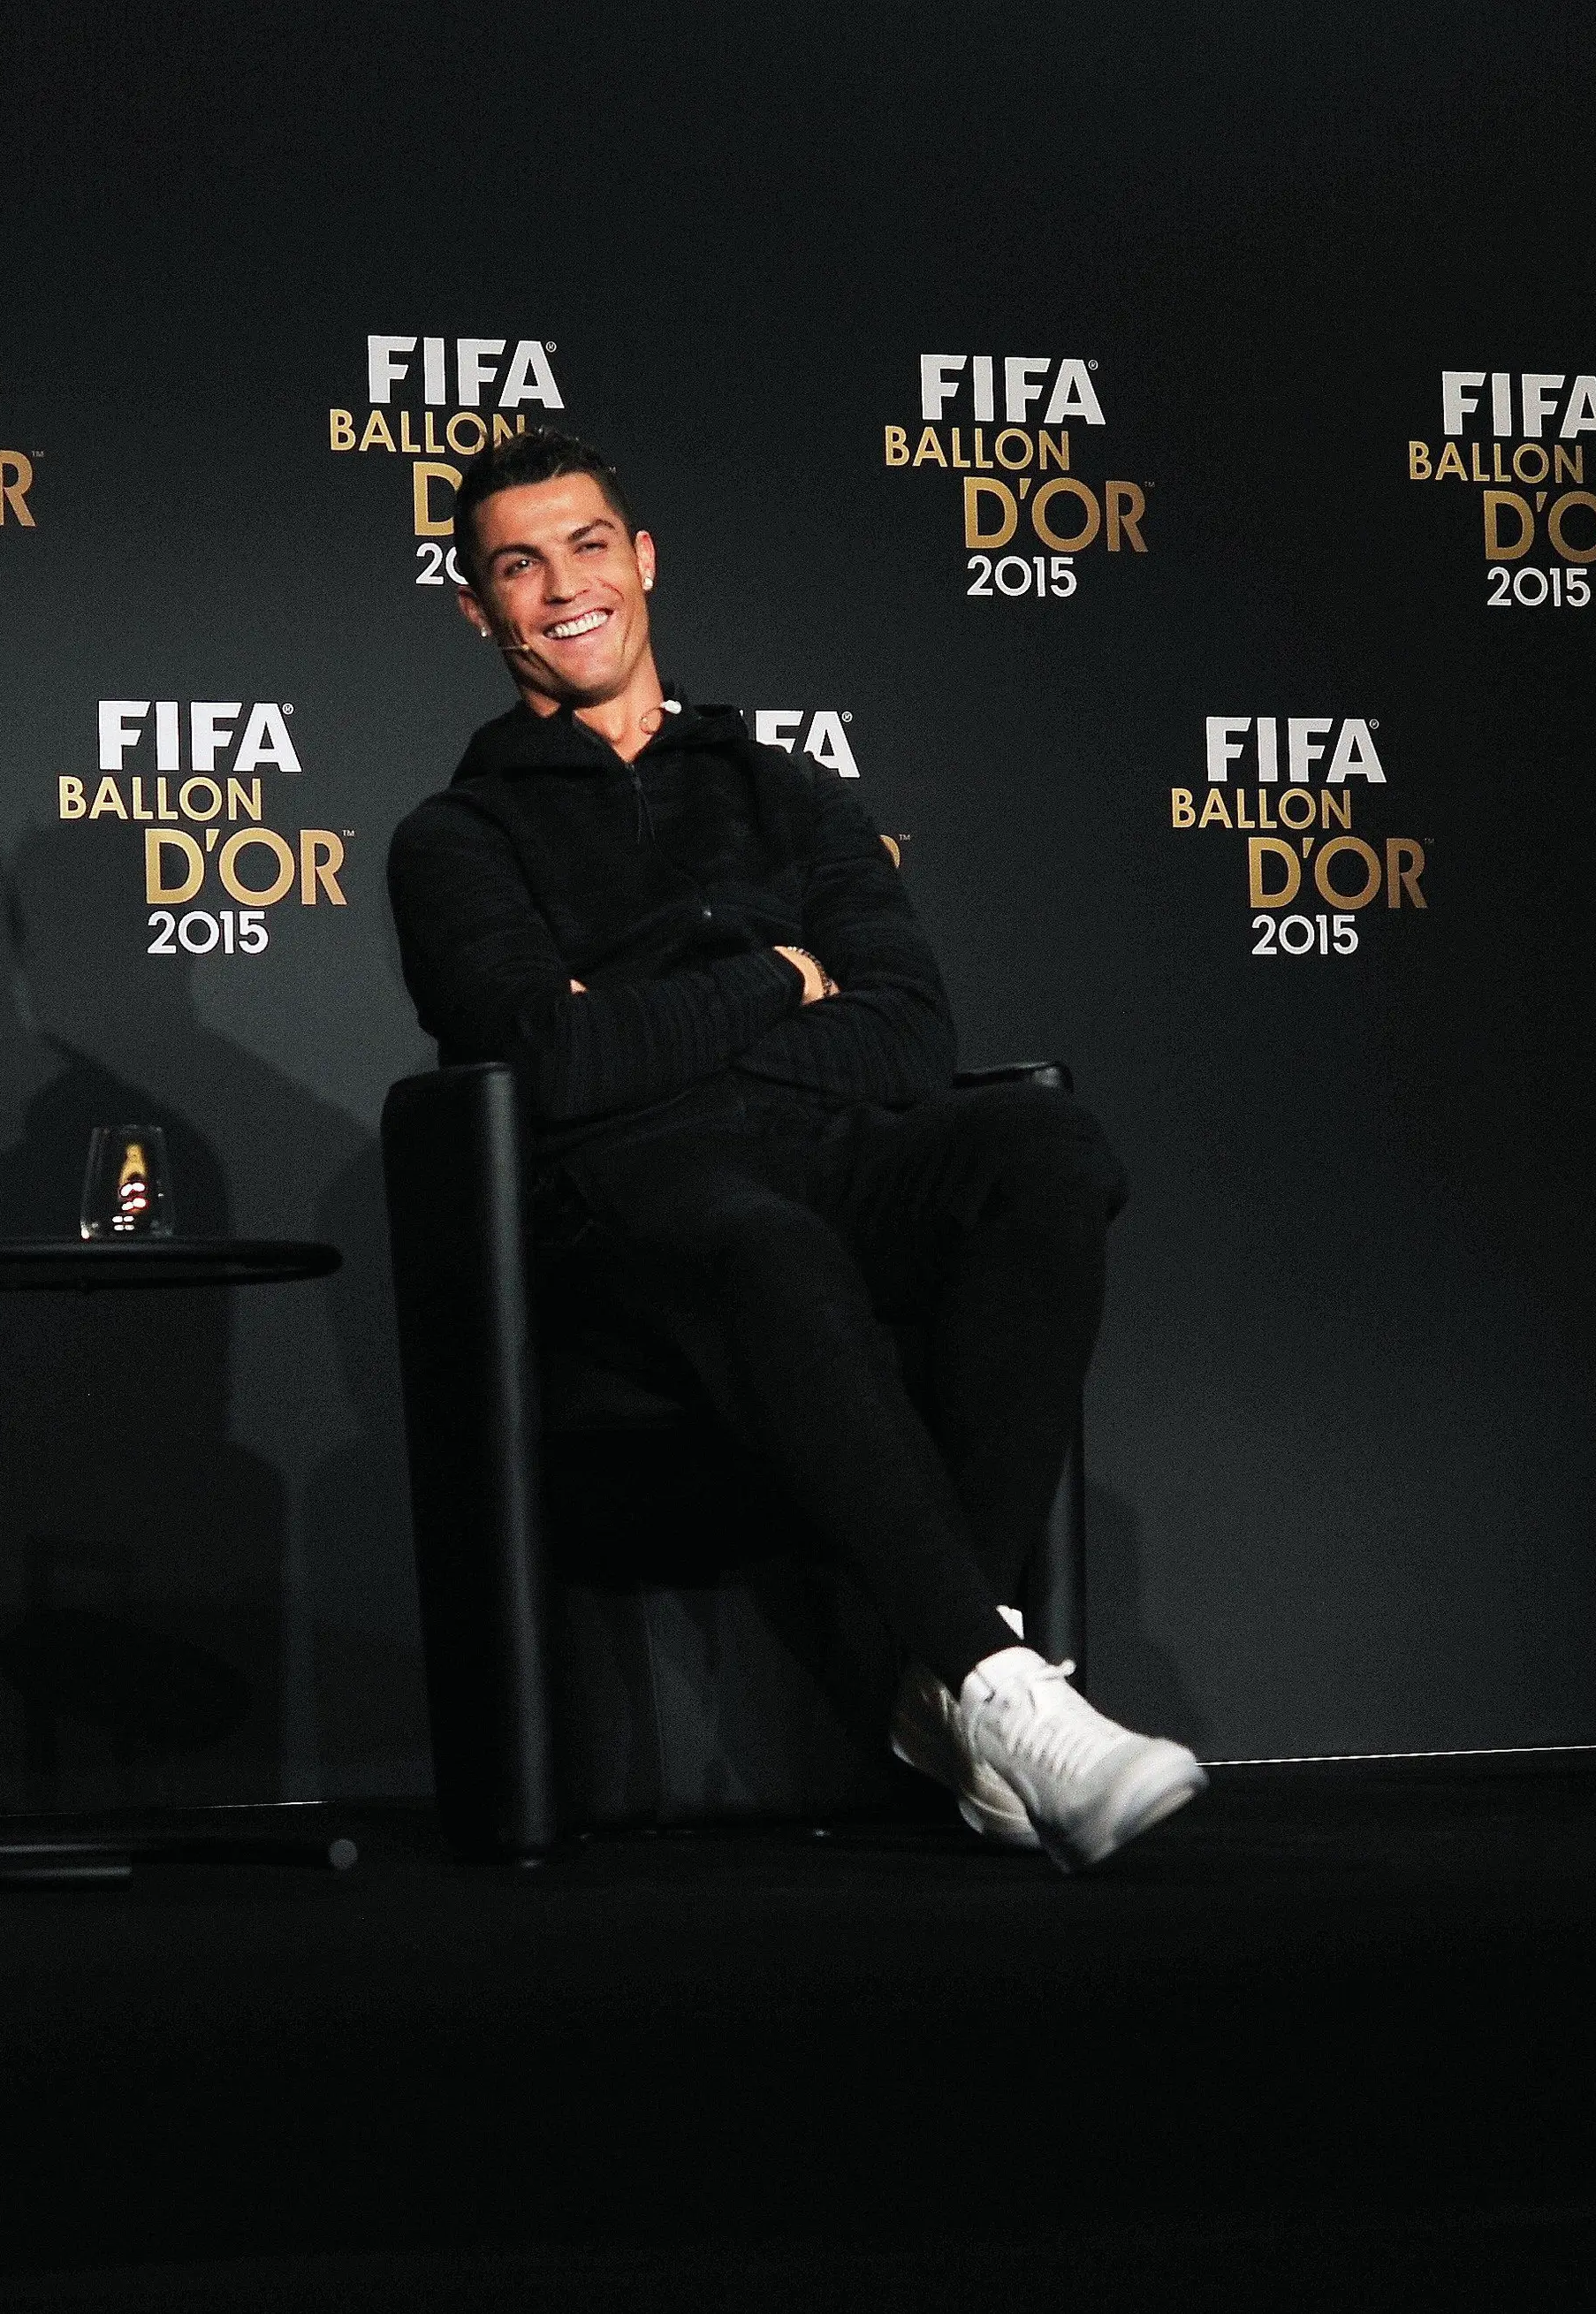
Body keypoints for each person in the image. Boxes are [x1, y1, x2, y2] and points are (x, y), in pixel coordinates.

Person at [384, 429, 1204, 1870]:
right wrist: (774, 974)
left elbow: (902, 1038)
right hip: (629, 1205)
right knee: (762, 1236)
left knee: (1042, 1145)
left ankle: (960, 1669)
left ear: (643, 560)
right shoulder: (454, 836)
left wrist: (648, 1018)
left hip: (831, 1147)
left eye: (587, 546)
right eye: (519, 565)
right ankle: (1007, 1696)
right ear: (477, 610)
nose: (563, 587)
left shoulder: (793, 791)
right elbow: (555, 1067)